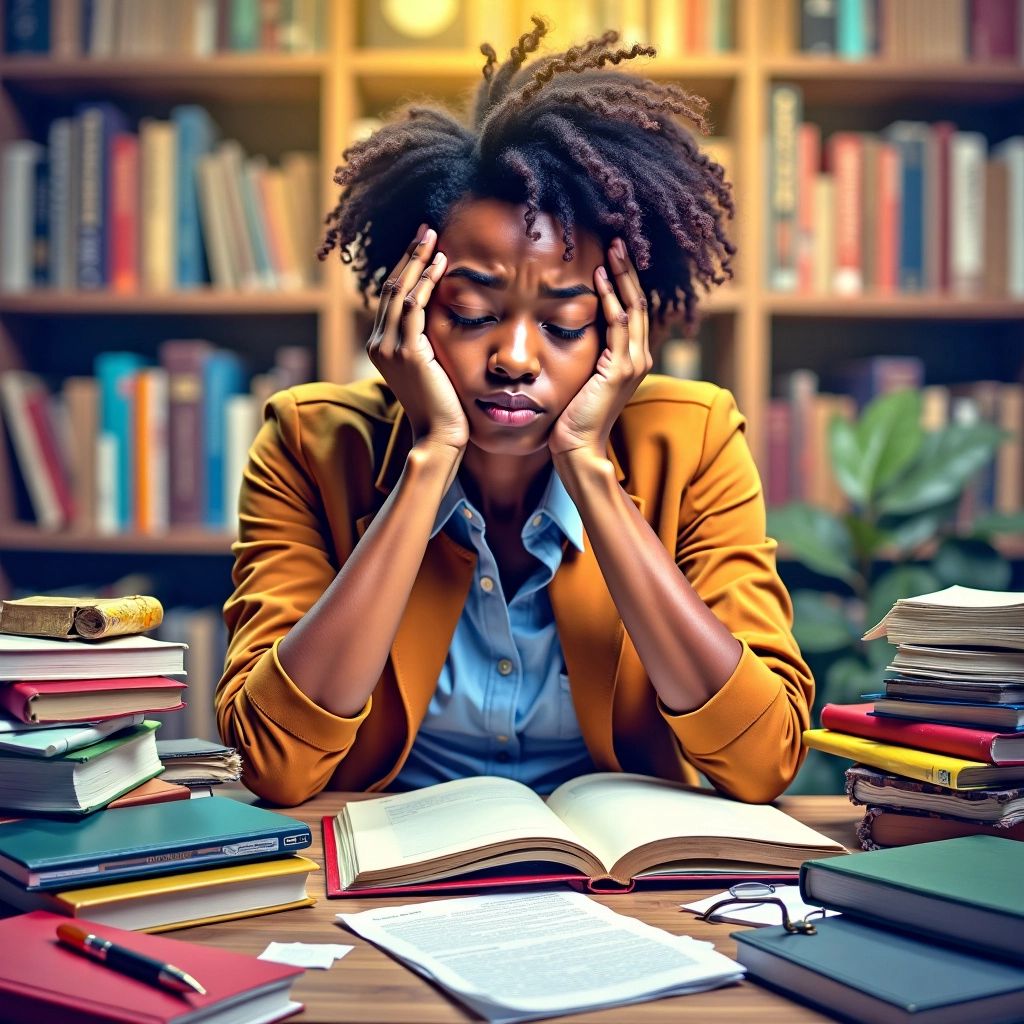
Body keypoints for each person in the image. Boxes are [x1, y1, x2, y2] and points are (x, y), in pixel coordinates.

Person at [215, 19, 813, 807]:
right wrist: (429, 460)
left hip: (614, 879)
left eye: (565, 324)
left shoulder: (693, 438)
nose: (517, 359)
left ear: (622, 328)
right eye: (468, 312)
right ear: (408, 307)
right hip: (383, 877)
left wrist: (590, 469)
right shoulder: (307, 442)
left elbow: (763, 759)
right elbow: (274, 766)